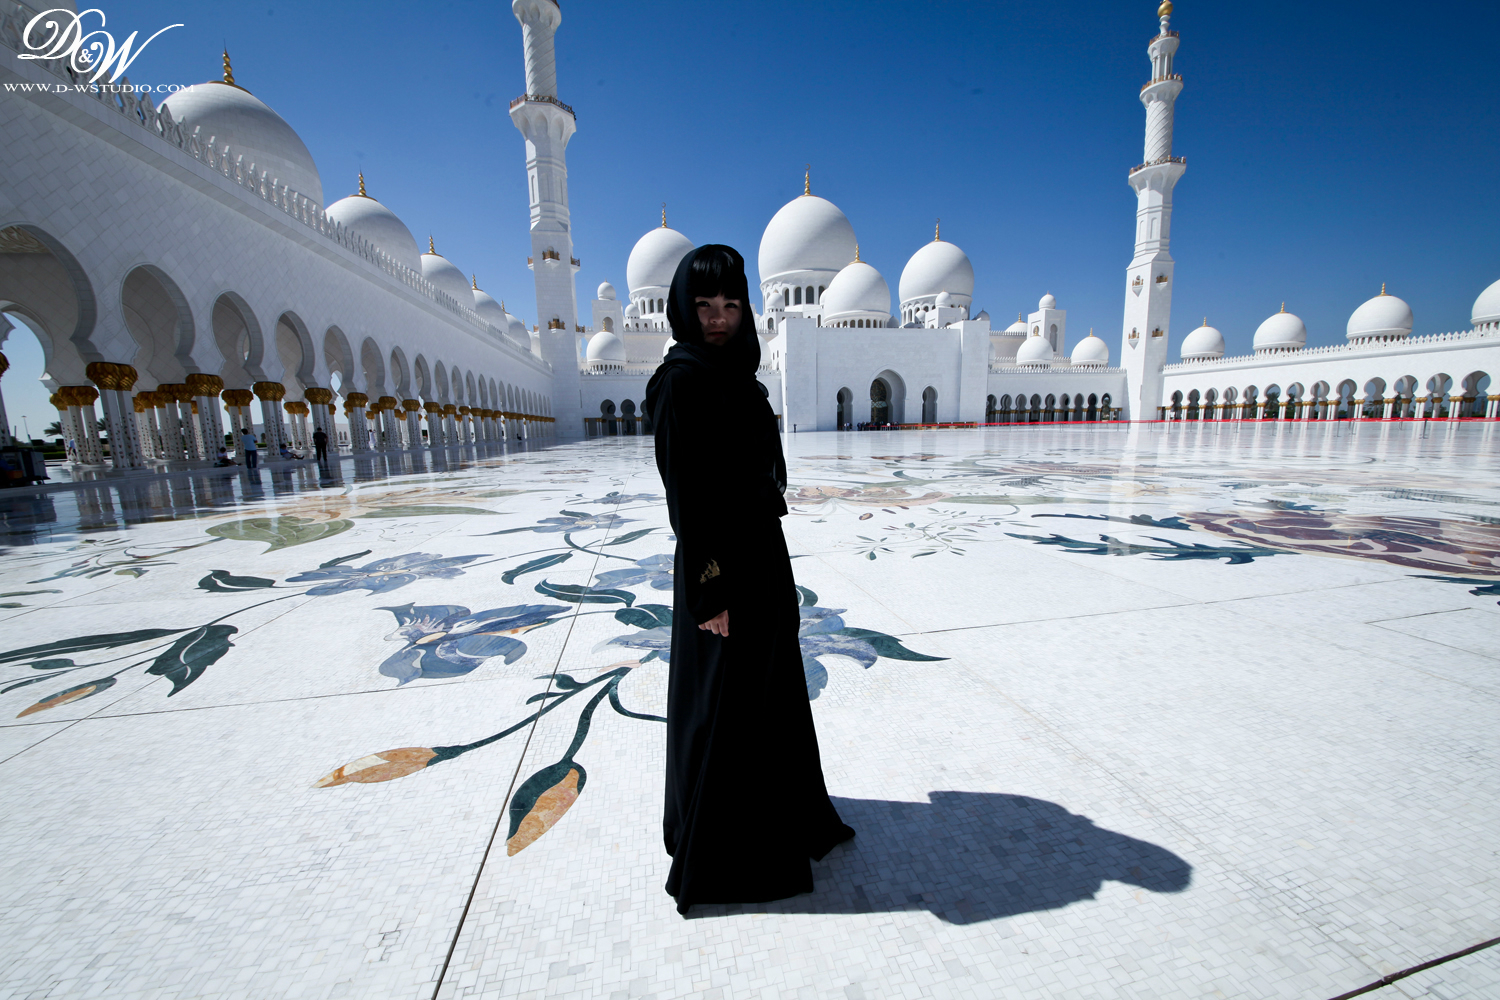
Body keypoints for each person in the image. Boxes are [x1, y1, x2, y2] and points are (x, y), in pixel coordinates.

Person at [645, 244, 854, 915]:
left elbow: (765, 479)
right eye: (704, 305)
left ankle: (785, 819)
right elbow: (690, 499)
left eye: (730, 304)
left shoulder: (741, 378)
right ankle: (730, 854)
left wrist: (775, 570)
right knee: (726, 706)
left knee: (767, 695)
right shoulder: (682, 380)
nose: (716, 317)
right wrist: (711, 592)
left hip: (761, 557)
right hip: (719, 567)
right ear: (684, 306)